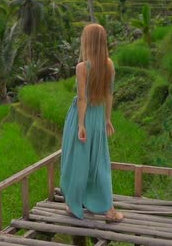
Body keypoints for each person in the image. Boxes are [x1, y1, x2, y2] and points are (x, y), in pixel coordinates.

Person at [60, 23, 124, 222]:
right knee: (100, 162)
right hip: (98, 117)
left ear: (87, 42)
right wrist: (107, 119)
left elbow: (82, 99)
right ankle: (109, 210)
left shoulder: (82, 68)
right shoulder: (109, 64)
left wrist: (80, 125)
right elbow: (109, 94)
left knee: (76, 161)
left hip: (83, 117)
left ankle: (74, 204)